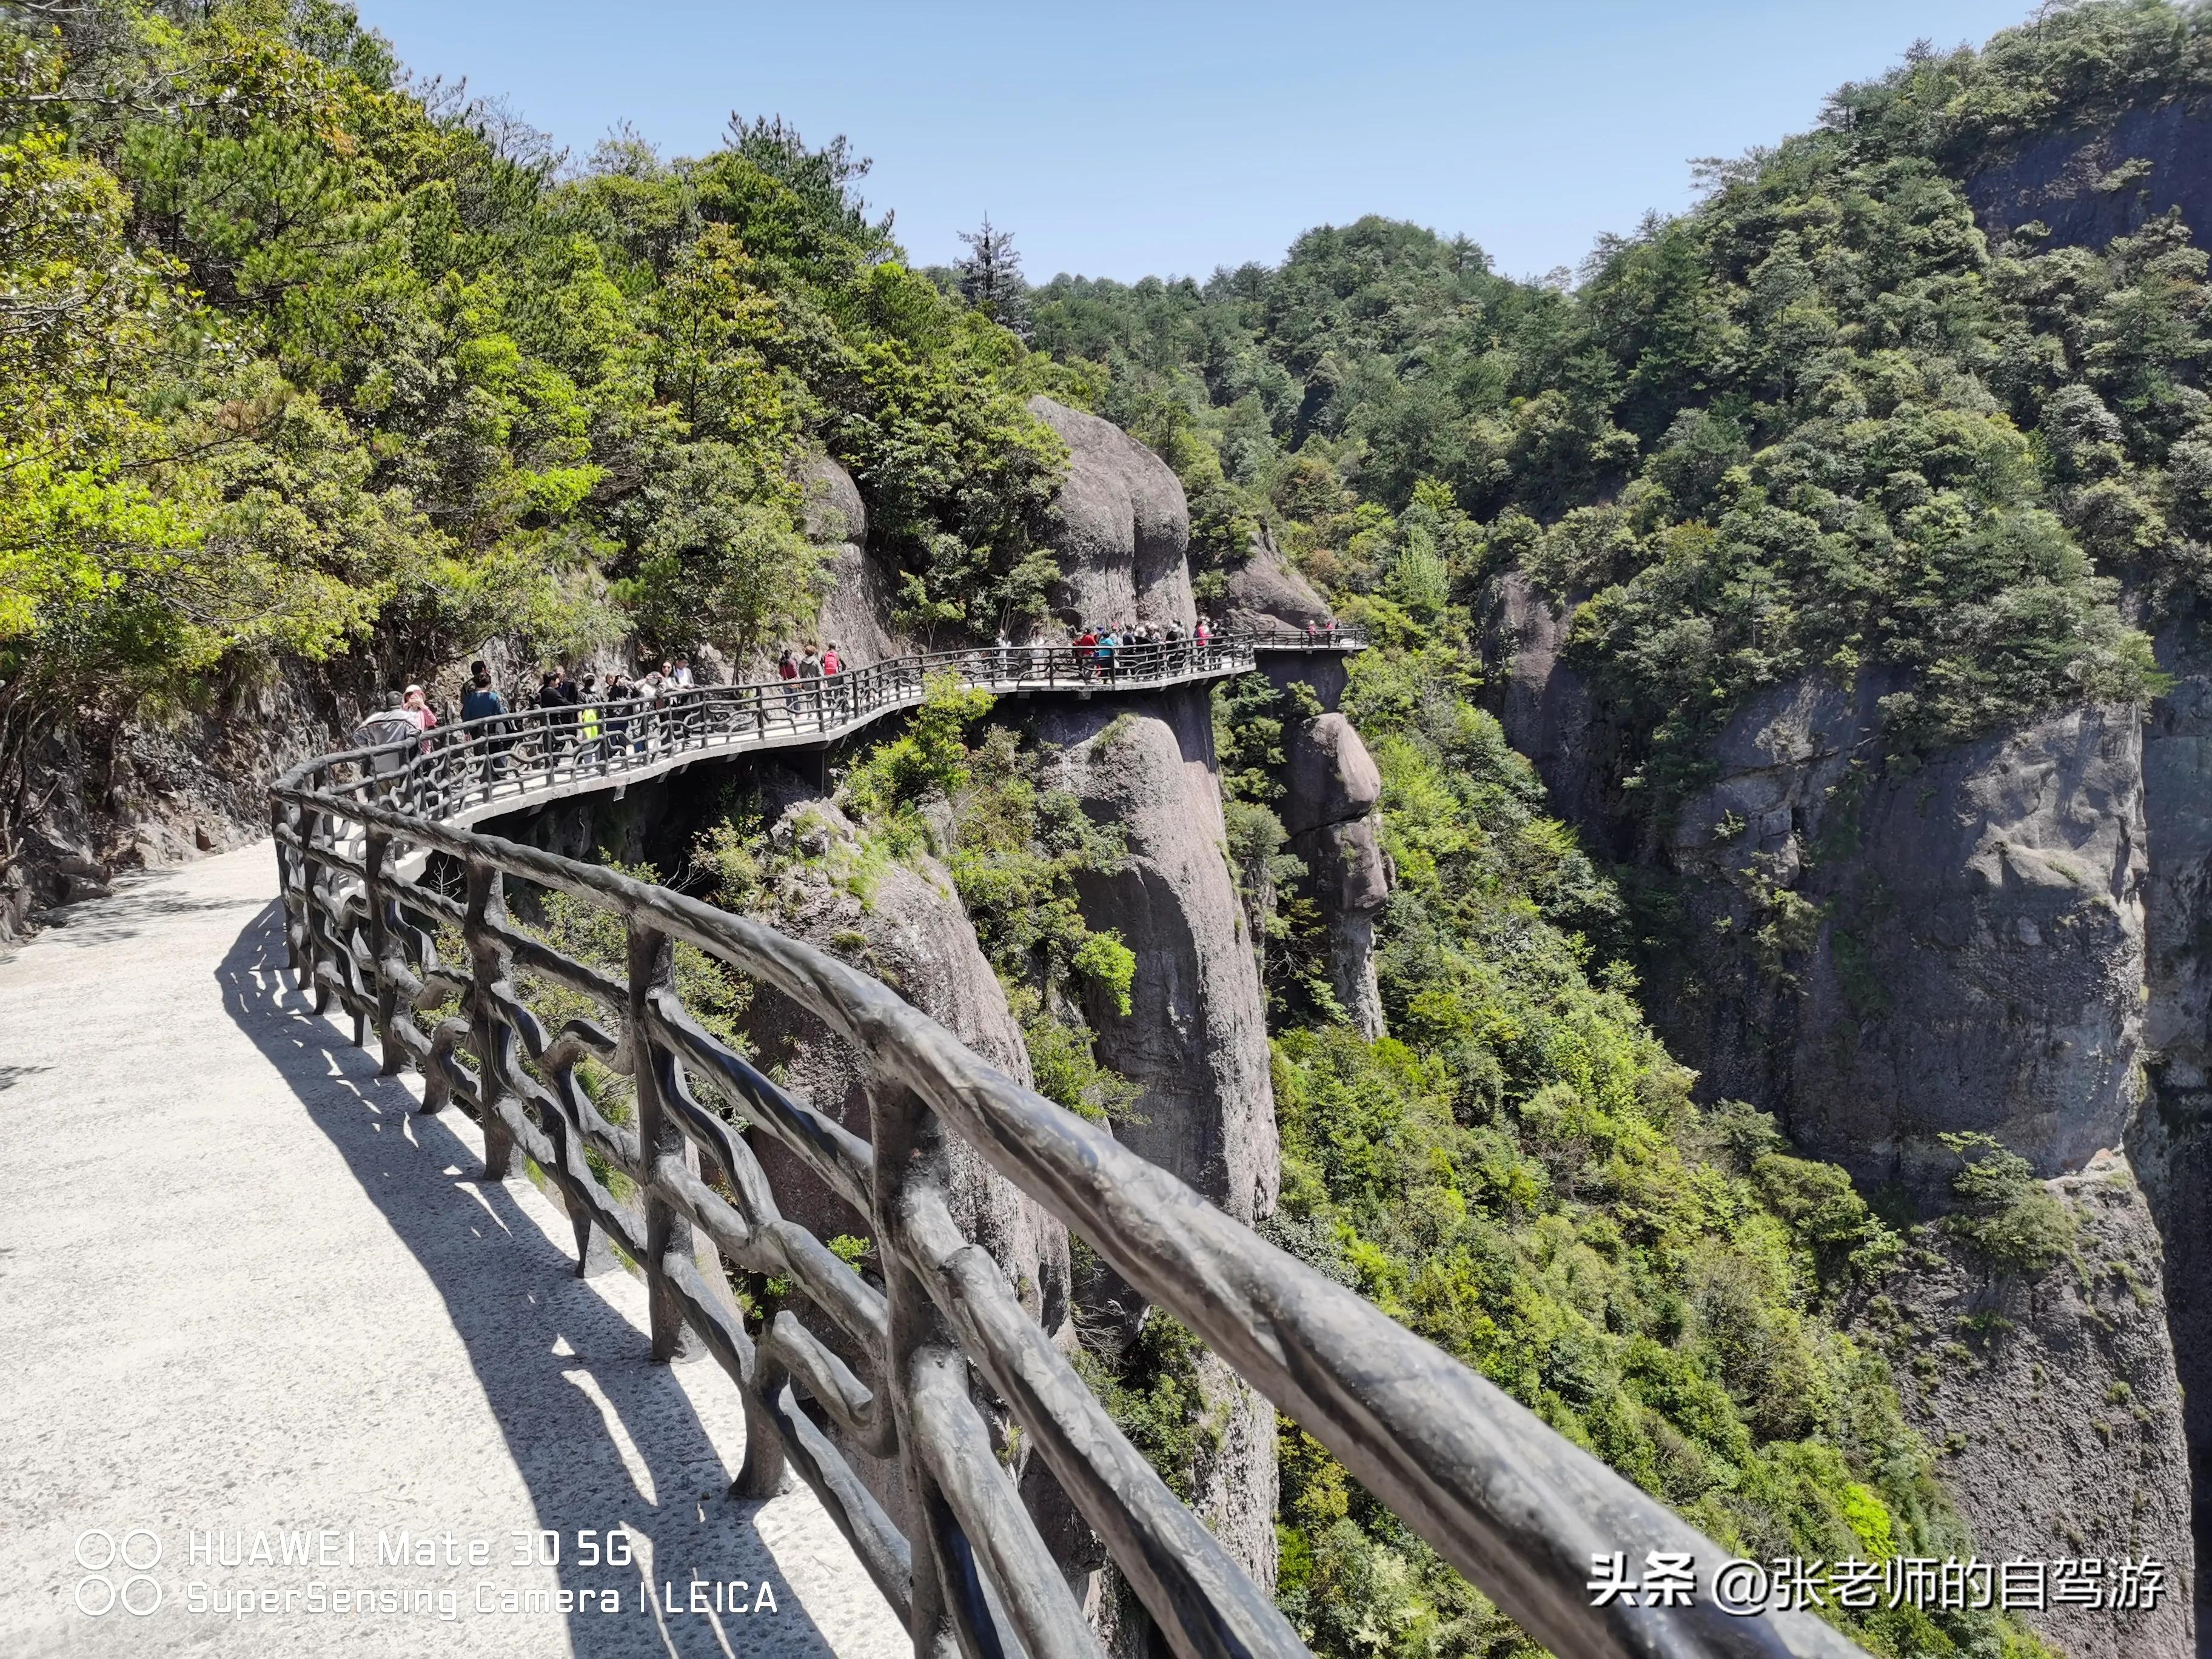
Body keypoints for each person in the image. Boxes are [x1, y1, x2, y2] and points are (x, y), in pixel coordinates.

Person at [460, 661, 509, 779]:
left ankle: (484, 776)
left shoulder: (469, 694)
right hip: (493, 728)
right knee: (497, 750)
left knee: (480, 752)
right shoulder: (492, 696)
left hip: (476, 728)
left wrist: (466, 731)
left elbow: (465, 713)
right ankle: (499, 775)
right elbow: (501, 713)